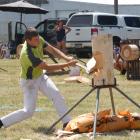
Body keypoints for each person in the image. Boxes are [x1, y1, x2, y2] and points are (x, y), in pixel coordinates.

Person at [0, 27, 77, 129]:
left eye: (38, 38)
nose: (38, 41)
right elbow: (47, 67)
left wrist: (66, 57)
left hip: (40, 76)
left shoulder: (38, 38)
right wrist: (68, 64)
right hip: (29, 82)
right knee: (28, 112)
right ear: (28, 40)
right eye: (35, 40)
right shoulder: (27, 54)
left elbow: (52, 49)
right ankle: (1, 122)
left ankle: (67, 123)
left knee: (56, 95)